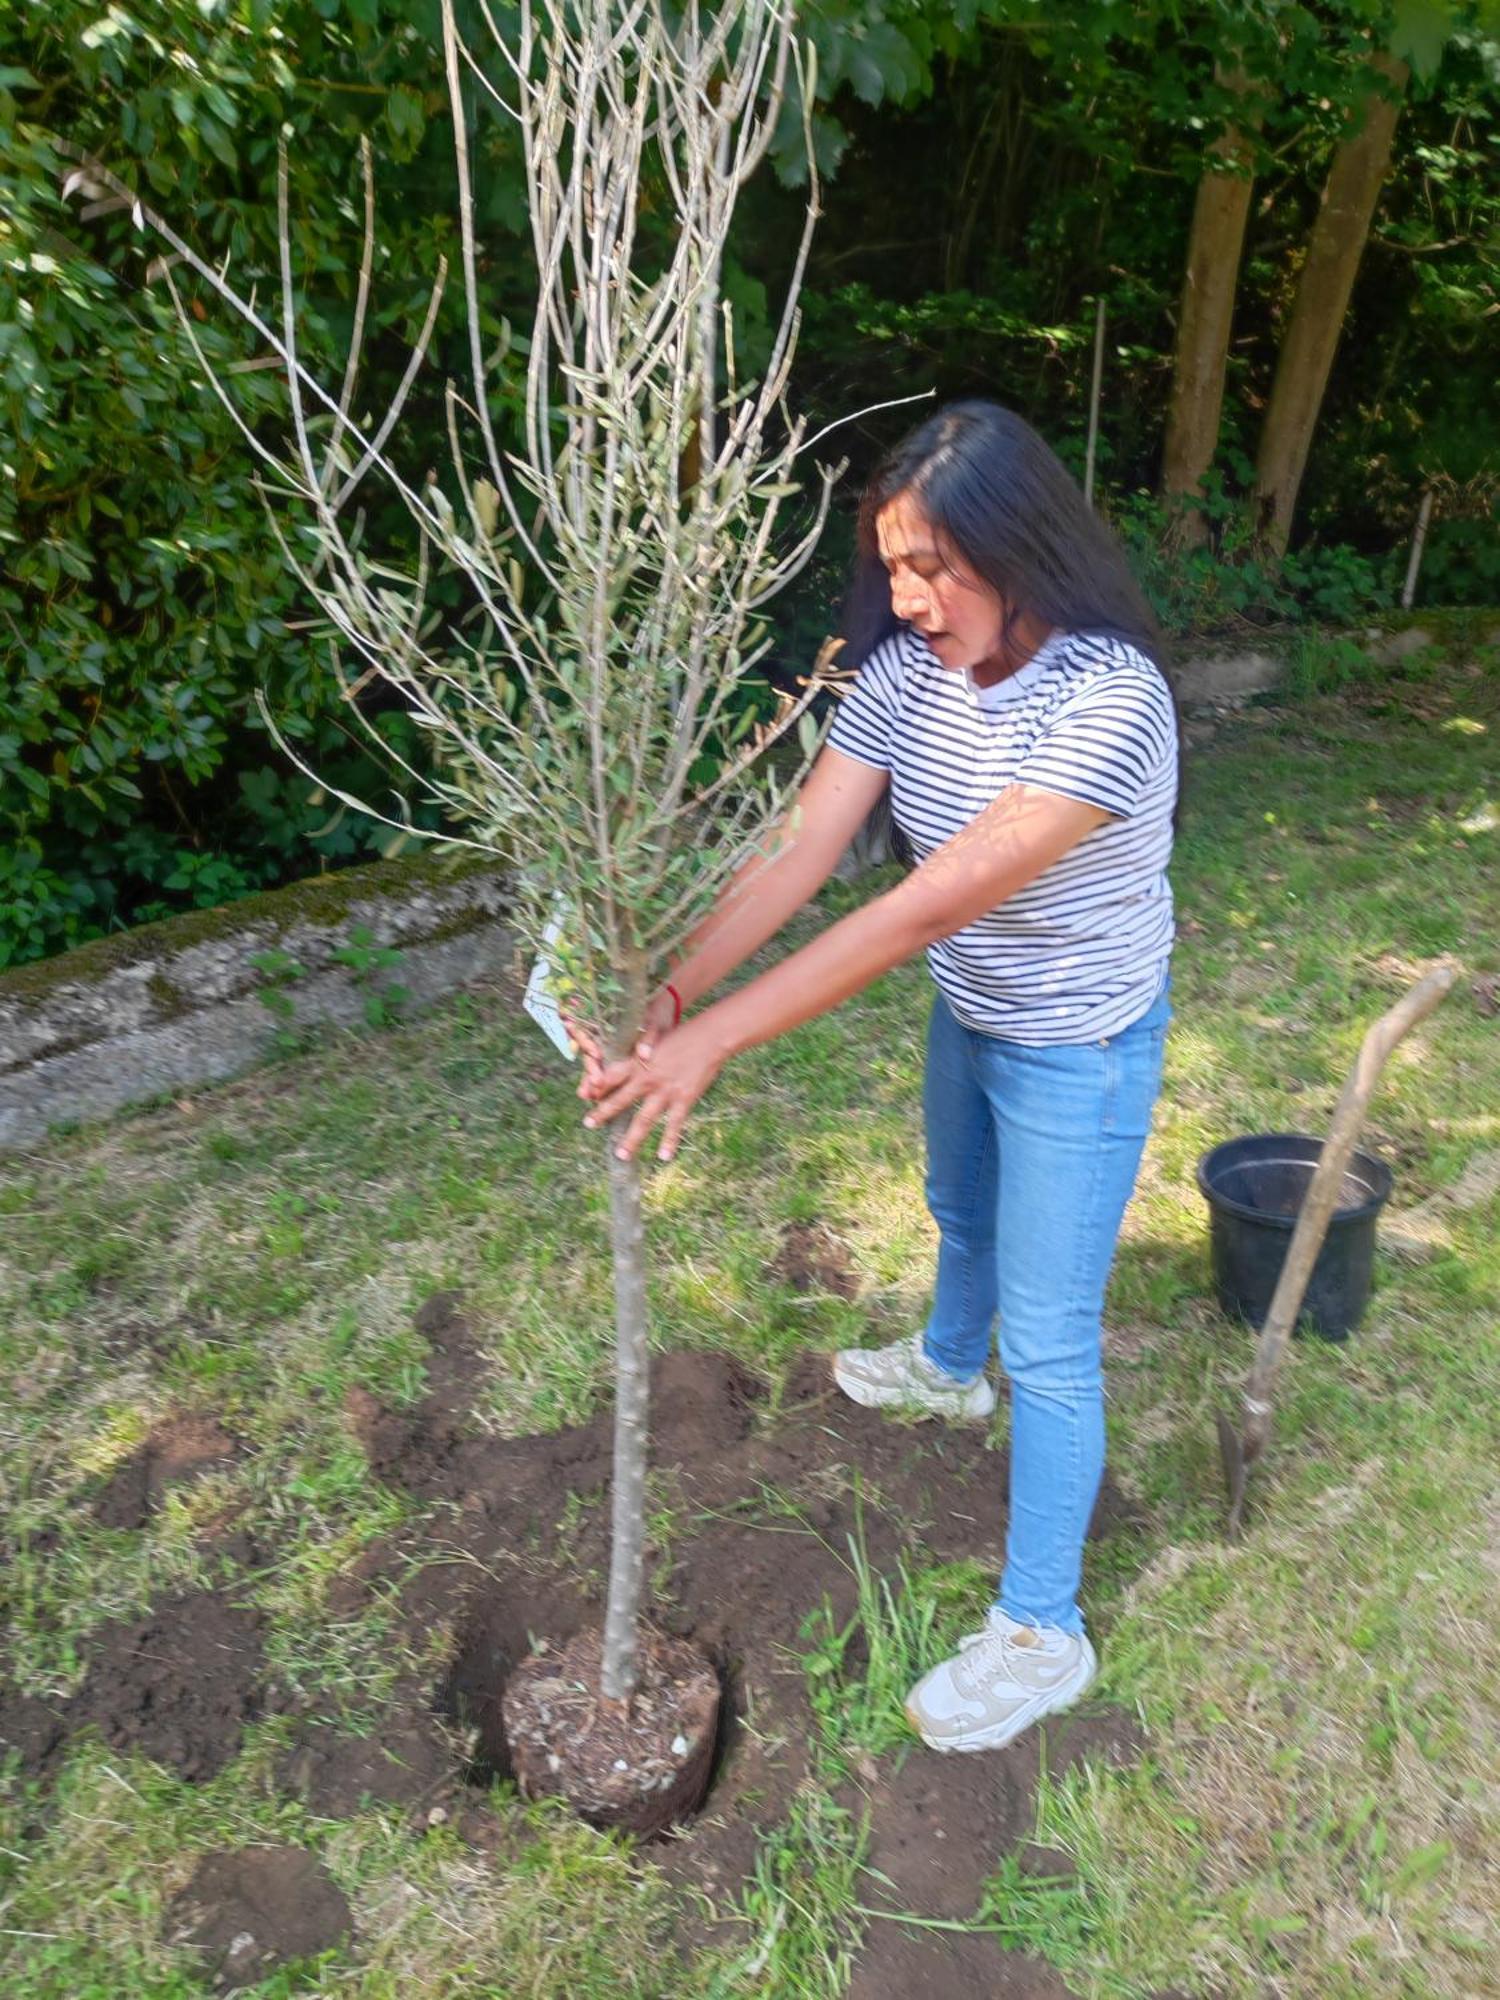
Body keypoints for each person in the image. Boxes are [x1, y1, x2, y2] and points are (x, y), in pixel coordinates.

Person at [576, 401, 1177, 1755]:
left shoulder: (1107, 701)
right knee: (957, 1211)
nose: (905, 599)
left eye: (933, 568)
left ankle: (1041, 1629)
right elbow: (800, 850)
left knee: (1055, 1344)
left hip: (1081, 1043)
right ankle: (944, 1367)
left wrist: (716, 1038)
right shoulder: (908, 676)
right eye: (890, 566)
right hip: (978, 1006)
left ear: (1019, 548)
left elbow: (911, 909)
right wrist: (674, 984)